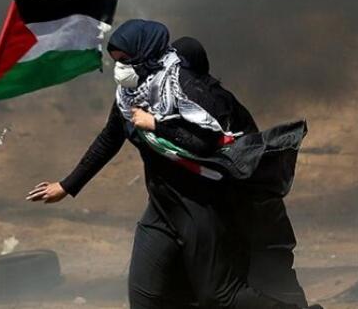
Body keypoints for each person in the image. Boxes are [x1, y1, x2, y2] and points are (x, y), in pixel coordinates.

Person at [27, 20, 320, 309]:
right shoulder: (130, 96)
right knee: (146, 297)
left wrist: (157, 124)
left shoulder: (186, 87)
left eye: (125, 60)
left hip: (203, 207)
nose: (120, 68)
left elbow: (207, 141)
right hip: (162, 206)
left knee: (219, 297)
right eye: (116, 61)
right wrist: (66, 186)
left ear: (145, 55)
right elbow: (109, 139)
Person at [171, 36, 309, 307]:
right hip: (253, 207)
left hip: (253, 209)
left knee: (270, 282)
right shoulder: (206, 98)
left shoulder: (209, 103)